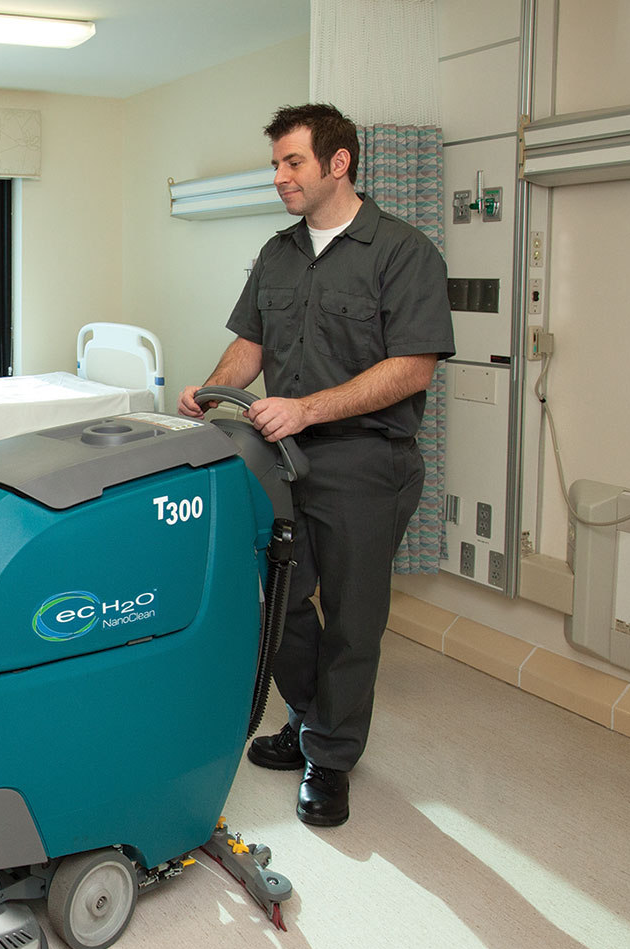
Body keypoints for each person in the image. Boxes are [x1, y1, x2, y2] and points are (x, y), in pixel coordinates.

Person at [179, 103, 454, 828]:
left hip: (367, 461)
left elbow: (412, 369)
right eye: (275, 164)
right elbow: (250, 346)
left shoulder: (402, 252)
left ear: (339, 164)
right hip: (281, 460)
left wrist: (307, 409)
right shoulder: (278, 252)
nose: (279, 177)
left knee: (354, 620)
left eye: (292, 162)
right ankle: (309, 719)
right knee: (278, 604)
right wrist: (213, 392)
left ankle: (330, 759)